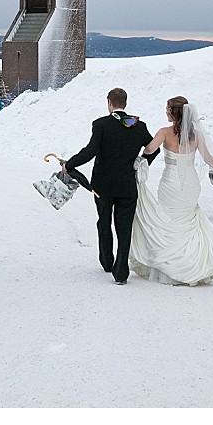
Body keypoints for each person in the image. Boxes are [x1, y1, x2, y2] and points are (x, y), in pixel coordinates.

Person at [129, 96, 213, 286]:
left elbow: (149, 149)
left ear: (174, 113)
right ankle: (193, 264)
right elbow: (209, 158)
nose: (165, 112)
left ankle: (170, 263)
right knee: (187, 221)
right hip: (190, 184)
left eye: (167, 109)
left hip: (171, 184)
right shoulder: (196, 134)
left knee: (169, 221)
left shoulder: (164, 132)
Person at [63, 88, 154, 285]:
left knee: (104, 221)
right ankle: (121, 271)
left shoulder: (101, 124)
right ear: (125, 103)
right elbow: (153, 148)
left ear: (109, 102)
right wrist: (141, 162)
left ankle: (106, 261)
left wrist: (69, 164)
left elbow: (90, 151)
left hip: (102, 186)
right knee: (124, 226)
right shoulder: (138, 125)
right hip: (127, 185)